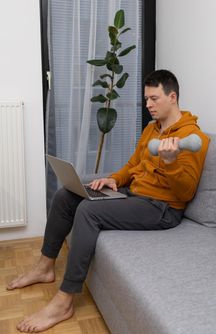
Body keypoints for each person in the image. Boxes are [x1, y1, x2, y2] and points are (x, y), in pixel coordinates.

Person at [7, 69, 209, 332]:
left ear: (172, 97)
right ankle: (45, 267)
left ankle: (64, 300)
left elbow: (185, 193)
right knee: (67, 194)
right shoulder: (152, 129)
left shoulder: (194, 137)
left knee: (88, 211)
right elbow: (133, 164)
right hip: (136, 195)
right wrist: (115, 179)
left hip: (163, 208)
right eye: (146, 99)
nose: (148, 104)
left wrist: (170, 163)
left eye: (154, 98)